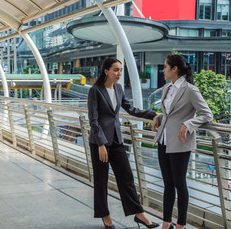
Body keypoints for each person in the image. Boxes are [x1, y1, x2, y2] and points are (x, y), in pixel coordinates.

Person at [87, 58, 159, 229]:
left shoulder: (119, 88)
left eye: (120, 70)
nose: (119, 73)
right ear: (106, 71)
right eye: (116, 70)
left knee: (126, 178)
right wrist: (101, 144)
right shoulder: (95, 91)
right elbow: (93, 120)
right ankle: (105, 216)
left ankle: (139, 214)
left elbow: (130, 109)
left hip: (117, 140)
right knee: (101, 180)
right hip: (100, 143)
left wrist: (153, 115)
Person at [151, 55, 213, 229]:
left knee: (179, 183)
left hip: (180, 142)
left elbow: (207, 114)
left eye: (165, 67)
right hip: (164, 140)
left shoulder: (190, 90)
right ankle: (166, 223)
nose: (162, 70)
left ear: (174, 69)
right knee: (168, 184)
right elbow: (171, 113)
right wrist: (159, 116)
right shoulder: (166, 88)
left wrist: (188, 124)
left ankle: (181, 224)